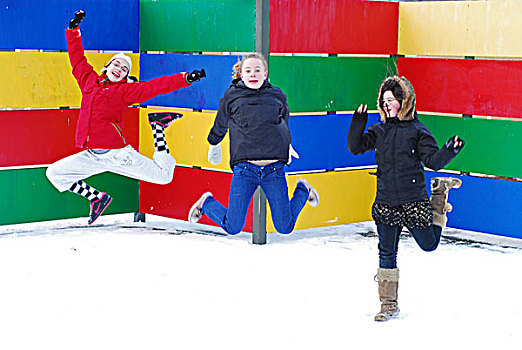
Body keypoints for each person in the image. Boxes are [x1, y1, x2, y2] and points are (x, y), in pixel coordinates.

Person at [46, 10, 206, 225]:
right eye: (116, 65)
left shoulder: (125, 92)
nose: (119, 69)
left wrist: (184, 78)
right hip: (92, 155)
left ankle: (157, 127)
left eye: (124, 68)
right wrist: (73, 30)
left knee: (164, 176)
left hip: (118, 155)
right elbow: (77, 59)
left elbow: (155, 86)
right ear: (107, 66)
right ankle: (98, 198)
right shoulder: (89, 82)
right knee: (55, 173)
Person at [347, 76, 465, 322]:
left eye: (392, 100)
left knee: (429, 245)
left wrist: (449, 150)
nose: (387, 104)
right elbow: (356, 147)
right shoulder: (379, 130)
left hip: (413, 200)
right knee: (386, 253)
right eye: (384, 100)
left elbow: (433, 161)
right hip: (386, 202)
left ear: (405, 101)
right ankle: (388, 305)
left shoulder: (417, 131)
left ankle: (439, 196)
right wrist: (358, 122)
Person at [188, 53, 319, 235]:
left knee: (284, 227)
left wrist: (287, 144)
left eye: (258, 70)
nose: (253, 74)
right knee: (233, 227)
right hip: (245, 170)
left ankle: (303, 190)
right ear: (241, 74)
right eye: (248, 70)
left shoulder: (277, 96)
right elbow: (220, 124)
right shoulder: (231, 96)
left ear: (265, 74)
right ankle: (207, 203)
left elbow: (282, 124)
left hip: (273, 169)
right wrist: (213, 143)